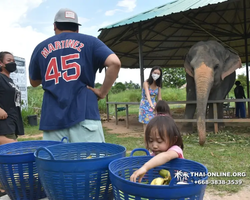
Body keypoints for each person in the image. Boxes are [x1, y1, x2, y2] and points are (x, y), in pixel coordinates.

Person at [29, 8, 121, 143]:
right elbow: (115, 63)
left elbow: (34, 82)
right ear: (77, 28)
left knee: (56, 163)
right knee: (90, 161)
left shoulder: (41, 47)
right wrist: (102, 92)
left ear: (55, 26)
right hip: (85, 113)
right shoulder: (91, 42)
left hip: (52, 118)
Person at [130, 115, 184, 183]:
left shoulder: (175, 150)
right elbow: (148, 174)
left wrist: (145, 167)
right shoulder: (153, 156)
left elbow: (166, 156)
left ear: (173, 140)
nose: (154, 146)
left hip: (178, 188)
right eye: (150, 140)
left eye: (159, 141)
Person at [0, 51, 24, 144]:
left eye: (13, 61)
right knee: (14, 150)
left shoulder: (9, 80)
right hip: (3, 124)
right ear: (1, 63)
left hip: (12, 122)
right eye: (9, 60)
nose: (12, 63)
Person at [139, 66, 162, 132]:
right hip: (145, 104)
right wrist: (151, 105)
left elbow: (159, 97)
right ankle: (146, 141)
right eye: (155, 73)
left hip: (154, 105)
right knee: (146, 125)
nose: (156, 75)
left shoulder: (158, 85)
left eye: (158, 74)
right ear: (151, 73)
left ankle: (153, 140)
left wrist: (159, 106)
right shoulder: (146, 83)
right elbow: (148, 95)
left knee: (155, 124)